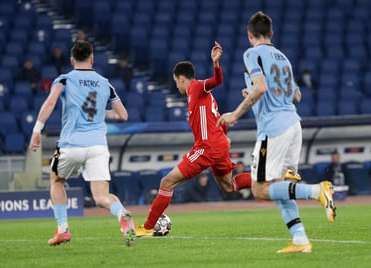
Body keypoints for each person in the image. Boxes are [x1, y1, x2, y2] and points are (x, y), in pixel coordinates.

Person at [217, 11, 336, 254]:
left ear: (249, 35)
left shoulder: (252, 53)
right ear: (272, 34)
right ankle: (300, 239)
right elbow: (297, 95)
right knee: (280, 184)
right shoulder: (283, 58)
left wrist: (234, 114)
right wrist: (254, 94)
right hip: (294, 124)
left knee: (259, 189)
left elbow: (260, 87)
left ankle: (317, 190)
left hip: (274, 129)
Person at [135, 41, 253, 237]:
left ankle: (147, 227)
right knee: (228, 186)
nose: (176, 86)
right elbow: (218, 119)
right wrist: (224, 137)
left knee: (167, 182)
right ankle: (266, 177)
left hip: (207, 147)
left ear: (181, 79)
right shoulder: (201, 98)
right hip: (218, 145)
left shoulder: (196, 87)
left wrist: (216, 64)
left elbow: (216, 81)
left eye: (175, 82)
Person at [29, 40, 136, 246]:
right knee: (101, 196)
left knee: (57, 181)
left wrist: (37, 130)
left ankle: (63, 230)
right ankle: (121, 213)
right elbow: (123, 115)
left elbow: (51, 102)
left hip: (71, 144)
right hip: (97, 146)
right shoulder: (105, 83)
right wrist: (99, 113)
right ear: (92, 58)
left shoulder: (65, 80)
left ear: (72, 60)